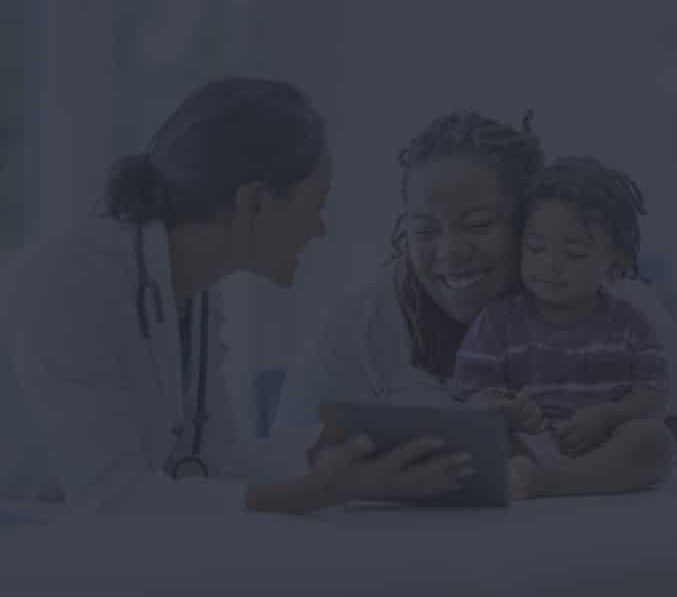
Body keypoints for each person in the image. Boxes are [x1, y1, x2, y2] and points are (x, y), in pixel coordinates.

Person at [2, 77, 473, 515]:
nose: (320, 228)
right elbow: (111, 498)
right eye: (317, 204)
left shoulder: (197, 293)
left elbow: (212, 460)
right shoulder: (70, 278)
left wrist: (372, 442)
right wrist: (316, 492)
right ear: (255, 202)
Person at [274, 110, 676, 497]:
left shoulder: (620, 301)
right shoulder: (354, 326)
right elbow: (288, 458)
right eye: (425, 229)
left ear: (527, 219)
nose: (450, 253)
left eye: (479, 225)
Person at [452, 156, 672, 498]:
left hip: (604, 445)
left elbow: (654, 397)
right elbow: (473, 396)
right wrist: (507, 410)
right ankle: (532, 475)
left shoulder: (631, 324)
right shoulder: (497, 322)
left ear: (616, 264)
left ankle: (547, 483)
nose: (550, 265)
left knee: (654, 440)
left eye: (574, 253)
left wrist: (607, 417)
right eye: (535, 248)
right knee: (471, 439)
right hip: (524, 443)